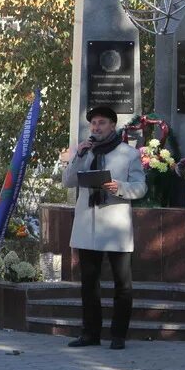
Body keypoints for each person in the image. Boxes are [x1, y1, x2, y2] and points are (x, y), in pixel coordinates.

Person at [61, 106, 147, 350]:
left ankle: (118, 335)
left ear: (112, 125)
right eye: (93, 124)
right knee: (89, 284)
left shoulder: (128, 154)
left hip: (115, 226)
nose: (96, 127)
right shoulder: (85, 152)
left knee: (123, 284)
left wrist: (119, 187)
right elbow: (68, 181)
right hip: (88, 224)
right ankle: (90, 334)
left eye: (101, 123)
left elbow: (141, 187)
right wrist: (78, 156)